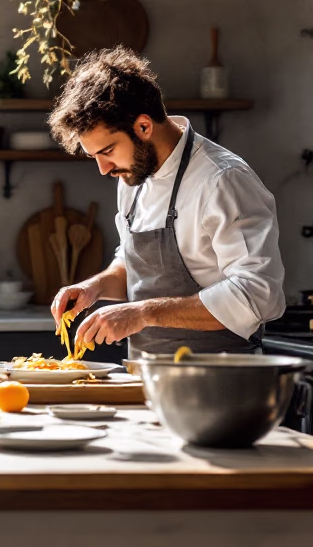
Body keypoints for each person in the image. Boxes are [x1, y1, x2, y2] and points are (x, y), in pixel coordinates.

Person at [47, 46, 284, 356]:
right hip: (147, 377)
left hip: (221, 381)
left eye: (106, 152)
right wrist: (97, 287)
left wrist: (143, 313)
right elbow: (137, 266)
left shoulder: (222, 180)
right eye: (94, 157)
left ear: (144, 127)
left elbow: (258, 294)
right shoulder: (133, 175)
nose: (103, 170)